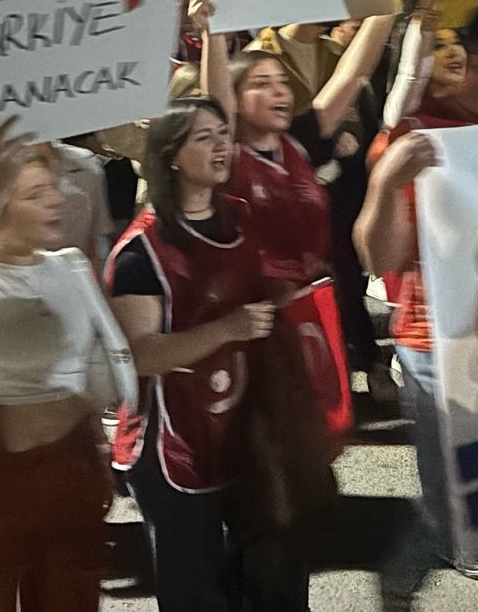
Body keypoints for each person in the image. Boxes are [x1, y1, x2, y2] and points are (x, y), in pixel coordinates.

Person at [361, 0, 478, 611]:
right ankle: (406, 571)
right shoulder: (422, 137)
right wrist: (389, 181)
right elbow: (376, 253)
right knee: (468, 506)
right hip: (440, 348)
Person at [0, 119, 131, 612]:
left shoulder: (70, 268)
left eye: (53, 187)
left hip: (68, 468)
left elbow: (111, 363)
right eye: (35, 194)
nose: (58, 200)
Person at [108, 100, 300, 611]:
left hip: (244, 432)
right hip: (175, 443)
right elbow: (141, 357)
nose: (221, 146)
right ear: (171, 156)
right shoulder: (138, 254)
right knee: (196, 594)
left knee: (272, 580)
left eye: (223, 134)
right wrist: (229, 328)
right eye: (204, 138)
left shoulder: (240, 217)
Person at [203, 3, 392, 289]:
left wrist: (388, 2)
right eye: (261, 83)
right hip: (246, 306)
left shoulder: (297, 142)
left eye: (283, 81)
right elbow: (216, 104)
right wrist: (211, 32)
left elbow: (353, 74)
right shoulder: (225, 153)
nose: (279, 90)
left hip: (309, 297)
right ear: (236, 98)